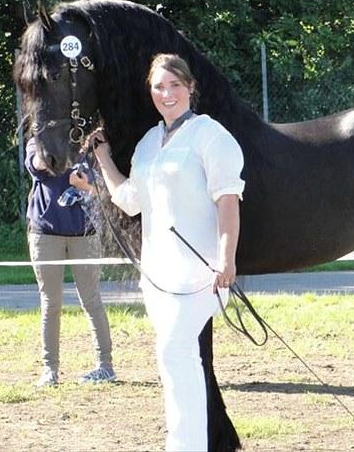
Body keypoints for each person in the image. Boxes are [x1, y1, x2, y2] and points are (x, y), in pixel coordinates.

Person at [88, 53, 244, 451]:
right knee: (177, 362)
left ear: (191, 87)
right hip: (157, 278)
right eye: (159, 86)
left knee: (175, 355)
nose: (167, 93)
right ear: (151, 92)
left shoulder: (212, 136)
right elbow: (129, 200)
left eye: (175, 85)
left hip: (201, 277)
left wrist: (227, 258)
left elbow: (228, 201)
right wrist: (103, 159)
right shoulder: (148, 143)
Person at [25, 137, 115, 387]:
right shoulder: (38, 142)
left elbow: (107, 190)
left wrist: (84, 185)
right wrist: (54, 148)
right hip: (45, 235)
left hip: (85, 234)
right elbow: (36, 165)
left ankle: (105, 367)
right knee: (50, 303)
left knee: (92, 300)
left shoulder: (91, 146)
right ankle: (50, 370)